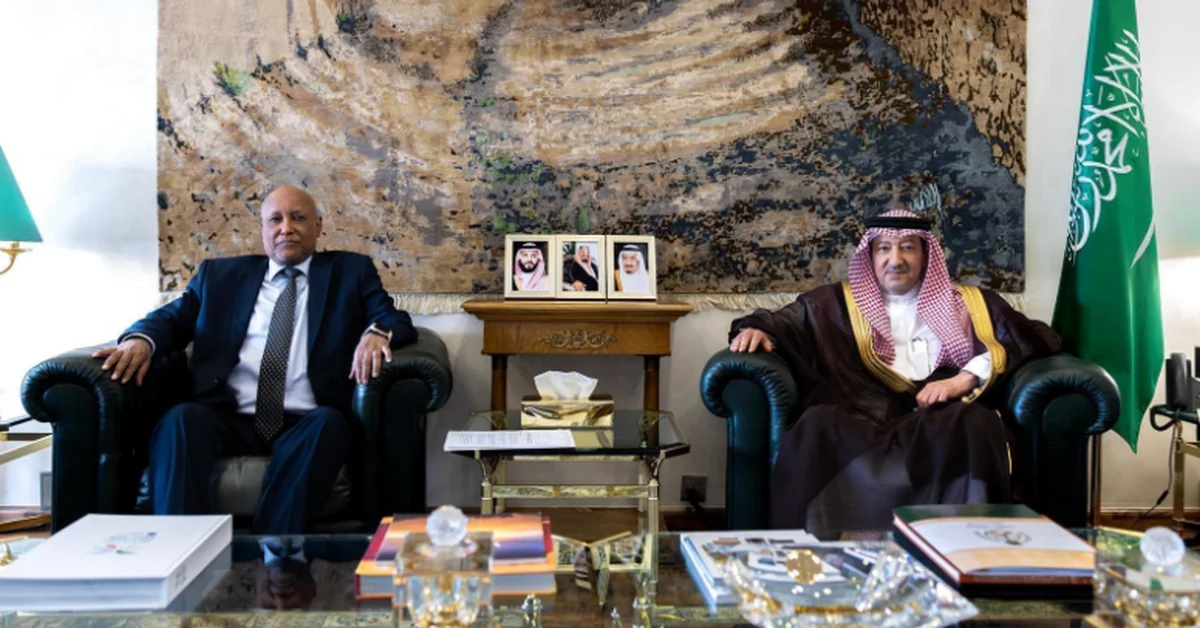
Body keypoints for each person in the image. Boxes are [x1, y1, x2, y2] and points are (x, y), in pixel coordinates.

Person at [93, 186, 418, 534]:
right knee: (180, 419)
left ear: (318, 226)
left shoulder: (350, 273)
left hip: (307, 420)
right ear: (262, 228)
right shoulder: (219, 277)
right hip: (227, 417)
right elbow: (171, 319)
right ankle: (178, 545)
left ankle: (274, 546)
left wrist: (377, 333)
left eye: (298, 218)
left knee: (329, 423)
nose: (286, 228)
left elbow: (394, 319)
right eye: (275, 219)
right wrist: (140, 341)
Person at [729, 209, 1061, 534]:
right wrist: (758, 330)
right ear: (870, 256)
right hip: (859, 415)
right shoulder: (834, 304)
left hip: (937, 419)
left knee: (976, 422)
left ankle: (964, 544)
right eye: (884, 248)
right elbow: (783, 322)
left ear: (926, 255)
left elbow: (1034, 338)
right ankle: (820, 549)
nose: (895, 260)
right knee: (816, 425)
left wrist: (964, 378)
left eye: (908, 248)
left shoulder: (969, 304)